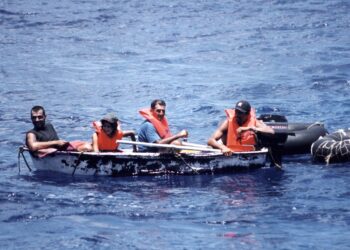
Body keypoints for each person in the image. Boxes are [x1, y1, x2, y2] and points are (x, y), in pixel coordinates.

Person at [207, 100, 274, 156]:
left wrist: (250, 128)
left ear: (247, 114)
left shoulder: (255, 122)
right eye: (236, 111)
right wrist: (223, 147)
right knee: (219, 141)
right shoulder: (228, 122)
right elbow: (210, 140)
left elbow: (271, 132)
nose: (237, 115)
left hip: (250, 153)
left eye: (240, 113)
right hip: (230, 152)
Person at [26, 106, 91, 155]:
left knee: (92, 144)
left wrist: (59, 143)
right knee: (87, 147)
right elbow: (33, 146)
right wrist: (56, 142)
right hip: (55, 152)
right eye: (34, 117)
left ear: (45, 117)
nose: (37, 120)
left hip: (61, 148)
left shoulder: (49, 126)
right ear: (31, 118)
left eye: (40, 117)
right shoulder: (31, 134)